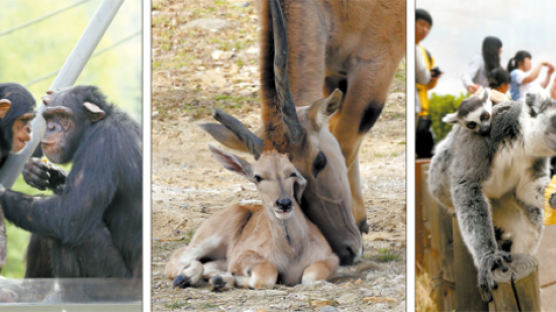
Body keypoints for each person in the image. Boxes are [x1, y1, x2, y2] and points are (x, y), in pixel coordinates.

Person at [415, 8, 440, 159]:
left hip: (423, 110)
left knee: (425, 156)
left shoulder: (426, 53)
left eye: (428, 27)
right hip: (414, 108)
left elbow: (428, 85)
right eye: (421, 24)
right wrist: (425, 77)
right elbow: (423, 78)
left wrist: (433, 78)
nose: (424, 30)